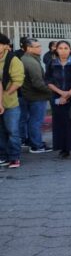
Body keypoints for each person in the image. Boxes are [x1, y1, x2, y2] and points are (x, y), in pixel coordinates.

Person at [45, 40, 71, 160]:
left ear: (70, 50)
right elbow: (48, 80)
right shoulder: (52, 63)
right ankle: (64, 149)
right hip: (57, 97)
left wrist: (69, 93)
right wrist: (61, 93)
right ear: (56, 50)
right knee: (60, 123)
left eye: (66, 48)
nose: (63, 51)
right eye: (60, 48)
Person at [20, 38, 53, 153]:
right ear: (29, 48)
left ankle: (32, 142)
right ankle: (37, 145)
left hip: (29, 95)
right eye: (37, 46)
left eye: (40, 46)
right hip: (36, 97)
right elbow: (37, 83)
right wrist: (51, 92)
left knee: (30, 120)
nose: (40, 48)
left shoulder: (26, 59)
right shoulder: (31, 62)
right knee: (36, 121)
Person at [0, 34, 23, 168]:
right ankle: (3, 156)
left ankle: (14, 157)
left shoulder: (12, 60)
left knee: (12, 130)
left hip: (10, 102)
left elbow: (18, 80)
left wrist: (5, 95)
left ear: (5, 46)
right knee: (0, 131)